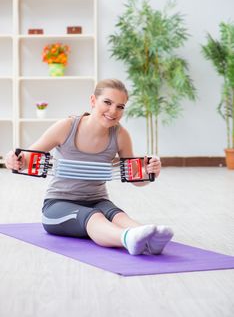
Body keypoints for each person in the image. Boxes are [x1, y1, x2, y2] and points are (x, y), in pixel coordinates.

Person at [5, 79, 173, 255]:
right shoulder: (67, 127)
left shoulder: (121, 135)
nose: (113, 111)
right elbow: (26, 158)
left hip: (98, 200)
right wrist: (14, 160)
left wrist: (150, 171)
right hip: (58, 204)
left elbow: (135, 178)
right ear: (93, 101)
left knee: (118, 216)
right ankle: (128, 238)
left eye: (120, 107)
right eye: (107, 102)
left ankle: (150, 238)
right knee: (94, 217)